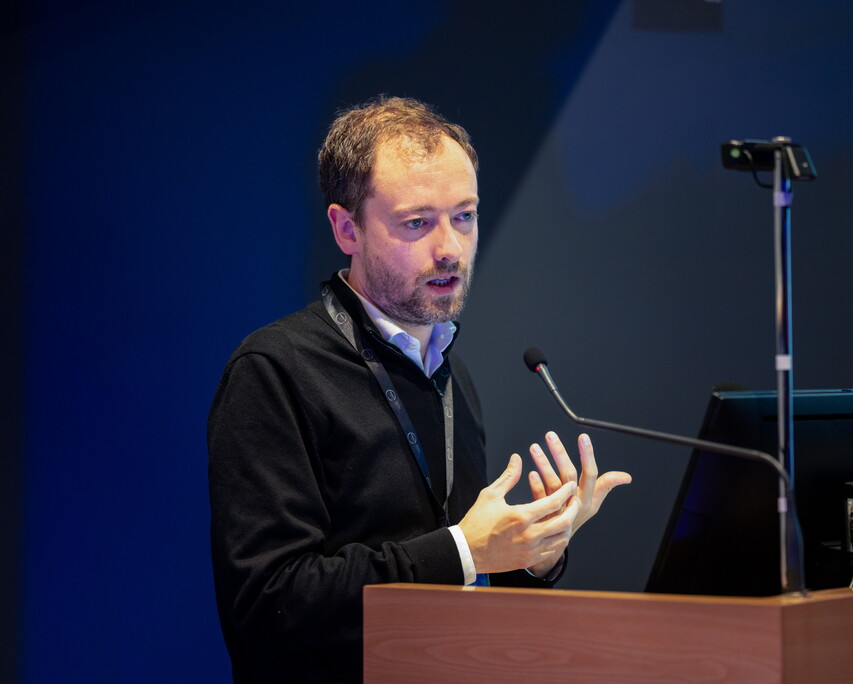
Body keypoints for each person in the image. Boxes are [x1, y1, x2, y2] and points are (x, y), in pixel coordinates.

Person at [207, 95, 631, 683]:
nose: (450, 248)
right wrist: (464, 550)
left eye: (465, 216)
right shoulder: (274, 370)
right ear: (346, 229)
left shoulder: (450, 376)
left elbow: (456, 580)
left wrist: (534, 553)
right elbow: (269, 603)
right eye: (417, 223)